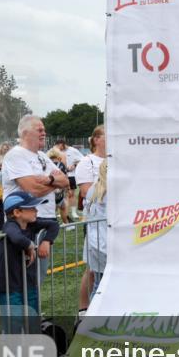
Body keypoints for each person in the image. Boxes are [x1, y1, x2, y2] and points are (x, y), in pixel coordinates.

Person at [1, 115, 69, 283]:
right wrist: (54, 182)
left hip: (45, 221)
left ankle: (33, 309)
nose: (44, 133)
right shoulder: (15, 155)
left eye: (44, 130)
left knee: (38, 276)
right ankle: (24, 309)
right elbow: (32, 190)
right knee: (22, 278)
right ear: (25, 133)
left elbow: (66, 181)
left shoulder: (42, 156)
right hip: (24, 224)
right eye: (39, 130)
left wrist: (49, 180)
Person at [0, 191, 57, 334]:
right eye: (31, 208)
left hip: (29, 283)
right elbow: (16, 238)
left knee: (33, 321)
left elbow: (53, 225)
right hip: (10, 286)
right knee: (13, 325)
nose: (36, 211)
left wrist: (46, 241)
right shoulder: (9, 226)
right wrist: (29, 245)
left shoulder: (32, 224)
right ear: (17, 212)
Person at [74, 125, 105, 315]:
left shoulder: (116, 159)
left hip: (110, 222)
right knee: (93, 270)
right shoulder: (87, 162)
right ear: (96, 140)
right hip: (96, 221)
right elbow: (86, 191)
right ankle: (84, 309)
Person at [82, 160, 108, 306]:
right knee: (103, 285)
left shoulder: (94, 188)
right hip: (106, 242)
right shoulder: (112, 191)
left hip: (94, 242)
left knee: (98, 285)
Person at [55, 138, 84, 220]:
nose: (58, 148)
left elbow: (82, 160)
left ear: (62, 144)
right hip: (60, 176)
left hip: (71, 175)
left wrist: (73, 166)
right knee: (60, 195)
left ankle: (74, 213)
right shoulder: (56, 151)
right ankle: (61, 213)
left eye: (59, 146)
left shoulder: (73, 150)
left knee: (71, 194)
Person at [46, 147, 70, 224]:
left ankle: (53, 223)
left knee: (52, 209)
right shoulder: (61, 165)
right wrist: (67, 189)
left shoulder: (46, 165)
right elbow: (65, 178)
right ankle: (66, 224)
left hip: (49, 190)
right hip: (59, 191)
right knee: (63, 207)